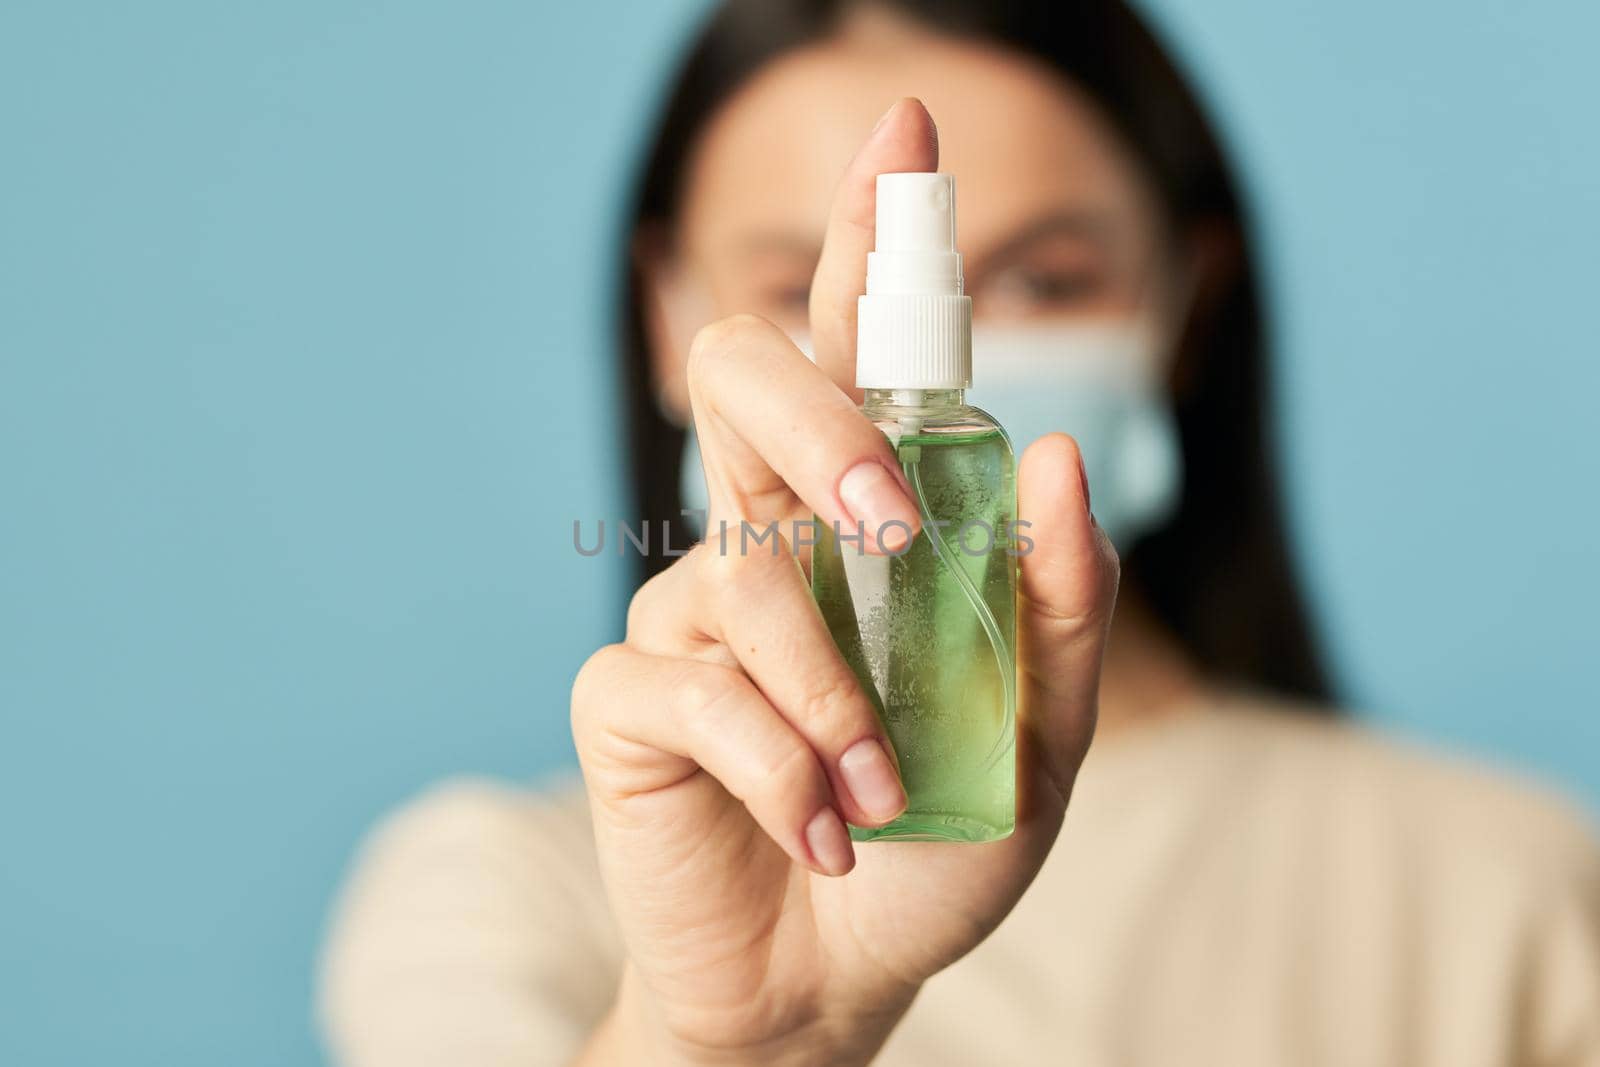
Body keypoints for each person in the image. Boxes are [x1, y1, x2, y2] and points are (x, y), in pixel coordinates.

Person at [317, 2, 1600, 1064]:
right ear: (669, 317)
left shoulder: (1513, 888)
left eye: (1048, 279)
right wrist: (734, 1044)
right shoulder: (496, 892)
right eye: (792, 285)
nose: (980, 348)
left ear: (1188, 301)